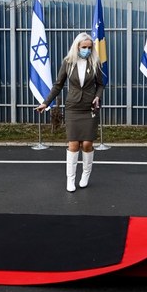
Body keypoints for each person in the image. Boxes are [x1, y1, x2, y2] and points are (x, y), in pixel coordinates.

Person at [37, 32, 104, 192]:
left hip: (89, 108)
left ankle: (85, 175)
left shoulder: (95, 62)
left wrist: (97, 97)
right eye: (84, 47)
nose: (87, 50)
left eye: (89, 47)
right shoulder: (68, 63)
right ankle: (70, 179)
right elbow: (58, 85)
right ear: (77, 47)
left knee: (87, 144)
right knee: (73, 144)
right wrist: (46, 102)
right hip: (73, 107)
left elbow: (101, 84)